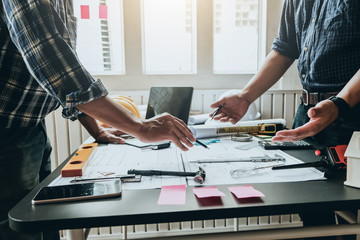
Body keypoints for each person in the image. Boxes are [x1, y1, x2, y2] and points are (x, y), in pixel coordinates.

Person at [0, 1, 195, 239]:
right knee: (19, 228)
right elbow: (50, 60)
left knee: (44, 217)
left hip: (31, 125)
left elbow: (68, 68)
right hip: (6, 130)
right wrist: (140, 127)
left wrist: (97, 131)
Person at [210, 0, 360, 238]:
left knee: (350, 208)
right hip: (307, 113)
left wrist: (338, 104)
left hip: (352, 117)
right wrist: (246, 95)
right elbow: (284, 48)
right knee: (309, 205)